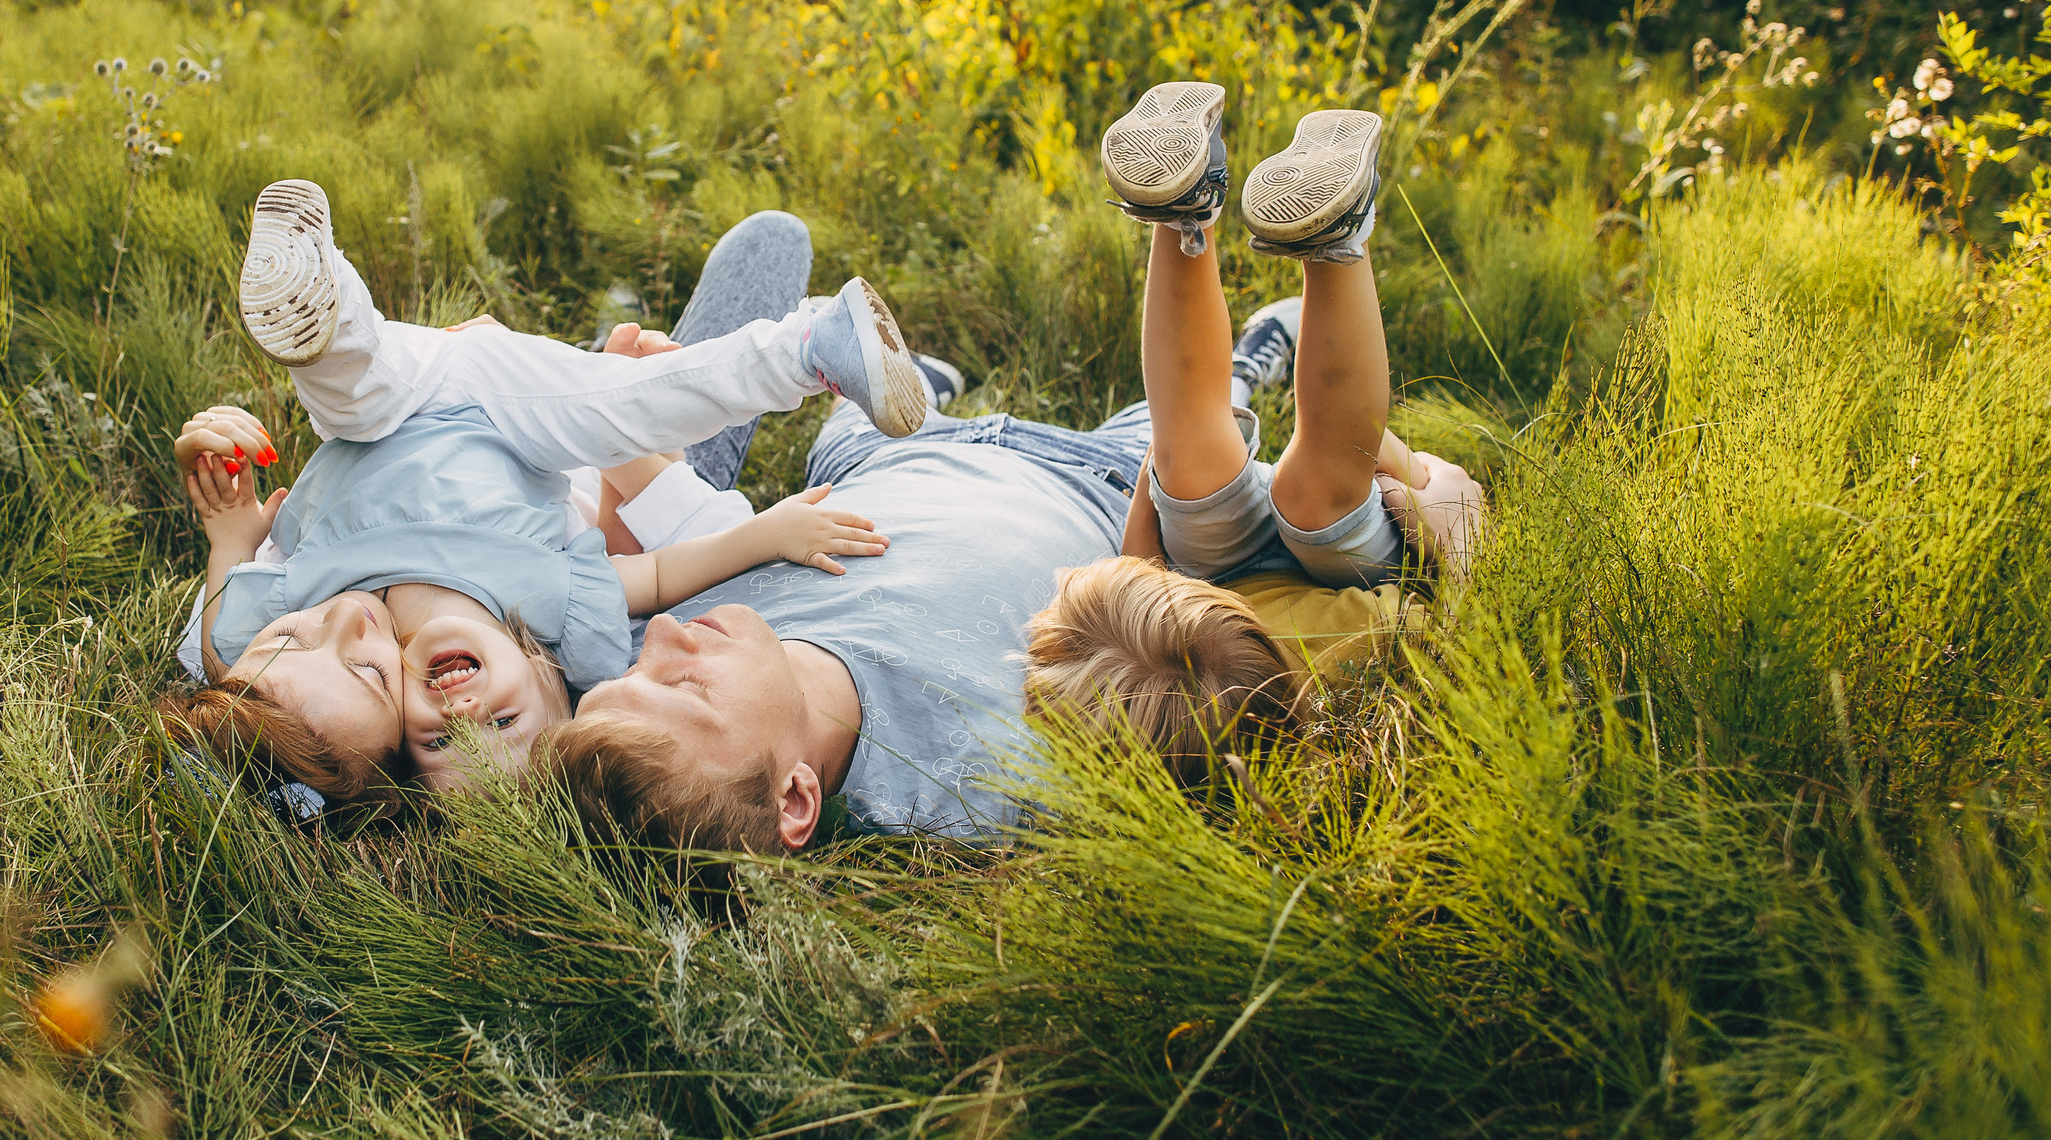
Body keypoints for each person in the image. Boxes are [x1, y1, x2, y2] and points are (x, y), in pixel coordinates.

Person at [540, 83, 1483, 851]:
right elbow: (1191, 686)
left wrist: (633, 399)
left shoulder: (634, 676)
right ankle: (1250, 347)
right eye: (688, 685)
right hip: (1099, 481)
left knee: (813, 338)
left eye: (636, 664)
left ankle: (921, 383)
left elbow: (637, 538)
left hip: (885, 457)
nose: (664, 637)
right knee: (1196, 427)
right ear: (795, 800)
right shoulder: (966, 790)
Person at [161, 193, 926, 803]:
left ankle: (312, 284)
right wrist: (764, 531)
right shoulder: (548, 609)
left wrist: (230, 526)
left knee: (350, 384)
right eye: (366, 671)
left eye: (292, 638)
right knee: (635, 403)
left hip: (405, 397)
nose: (339, 623)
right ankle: (809, 350)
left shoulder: (254, 648)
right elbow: (659, 579)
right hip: (512, 410)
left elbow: (223, 632)